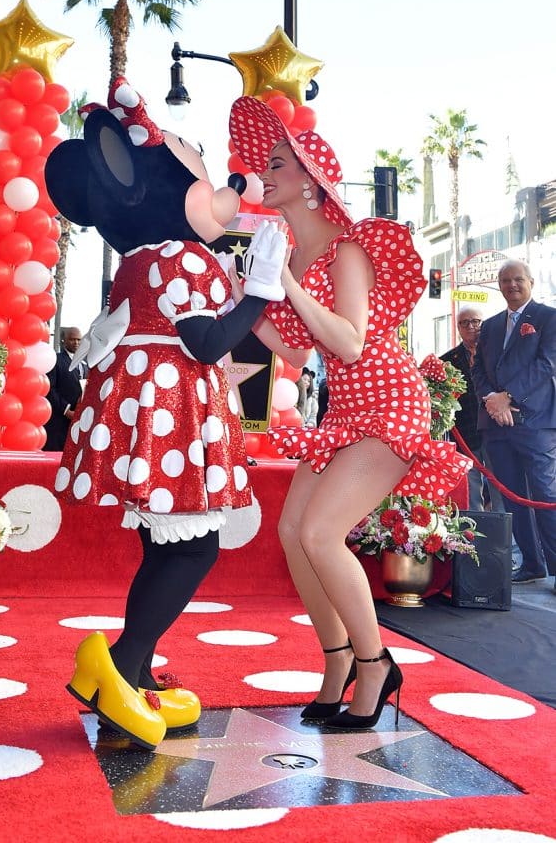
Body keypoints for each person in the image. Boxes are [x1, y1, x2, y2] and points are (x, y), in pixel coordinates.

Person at [44, 78, 287, 749]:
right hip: (173, 405)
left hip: (153, 406)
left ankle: (135, 668)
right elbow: (207, 341)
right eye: (201, 172)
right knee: (194, 545)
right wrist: (259, 291)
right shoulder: (185, 256)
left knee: (167, 540)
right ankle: (122, 663)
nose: (225, 184)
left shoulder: (140, 260)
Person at [229, 96, 470, 731]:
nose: (265, 171)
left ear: (311, 183)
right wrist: (242, 296)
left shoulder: (348, 250)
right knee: (290, 534)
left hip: (390, 404)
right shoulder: (296, 259)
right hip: (344, 414)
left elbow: (352, 342)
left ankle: (376, 663)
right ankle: (337, 663)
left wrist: (283, 283)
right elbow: (292, 345)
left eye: (278, 163)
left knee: (318, 533)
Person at [472, 259, 556, 587]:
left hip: (535, 424)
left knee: (545, 495)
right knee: (512, 497)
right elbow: (477, 368)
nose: (512, 285)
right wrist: (491, 398)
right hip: (496, 426)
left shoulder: (548, 318)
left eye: (518, 279)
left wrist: (508, 396)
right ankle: (533, 564)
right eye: (505, 281)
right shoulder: (491, 326)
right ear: (499, 285)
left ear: (531, 282)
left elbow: (547, 364)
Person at [440, 306, 506, 514]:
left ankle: (502, 537)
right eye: (465, 323)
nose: (471, 327)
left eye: (476, 321)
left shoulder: (499, 354)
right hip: (465, 434)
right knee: (471, 492)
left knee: (500, 488)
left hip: (497, 430)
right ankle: (474, 538)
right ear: (458, 328)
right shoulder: (447, 361)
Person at [43, 326, 88, 451]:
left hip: (80, 420)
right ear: (64, 340)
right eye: (72, 339)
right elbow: (50, 388)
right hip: (59, 421)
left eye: (79, 340)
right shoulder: (56, 360)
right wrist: (66, 410)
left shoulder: (86, 363)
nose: (76, 343)